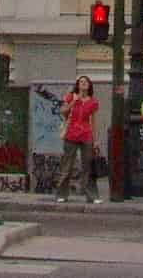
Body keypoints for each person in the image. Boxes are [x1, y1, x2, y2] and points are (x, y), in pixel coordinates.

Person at [54, 75, 101, 204]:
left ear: (89, 85)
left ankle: (91, 195)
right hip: (71, 134)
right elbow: (63, 111)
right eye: (81, 82)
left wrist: (95, 140)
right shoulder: (71, 97)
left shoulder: (93, 102)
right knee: (67, 165)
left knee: (88, 166)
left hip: (86, 135)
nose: (83, 83)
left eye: (86, 81)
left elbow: (93, 121)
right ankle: (62, 194)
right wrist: (74, 101)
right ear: (77, 85)